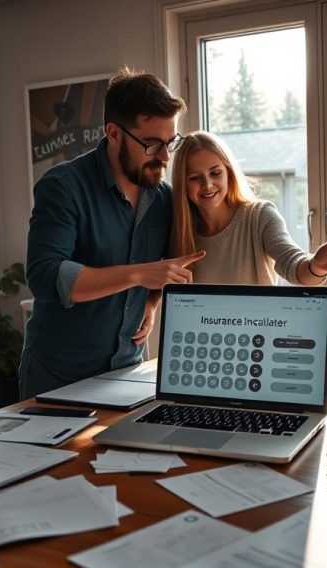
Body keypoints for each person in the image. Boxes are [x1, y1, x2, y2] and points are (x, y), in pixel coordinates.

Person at [22, 68, 203, 398]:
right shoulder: (62, 186)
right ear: (114, 133)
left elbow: (160, 269)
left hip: (127, 371)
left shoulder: (162, 198)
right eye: (151, 144)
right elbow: (44, 276)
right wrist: (137, 275)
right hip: (58, 375)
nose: (164, 156)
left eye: (169, 143)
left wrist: (150, 302)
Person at [170, 131, 327, 285]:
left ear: (229, 173)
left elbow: (291, 262)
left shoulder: (259, 217)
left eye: (215, 173)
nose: (207, 185)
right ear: (182, 184)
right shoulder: (179, 229)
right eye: (195, 178)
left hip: (258, 337)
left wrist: (316, 266)